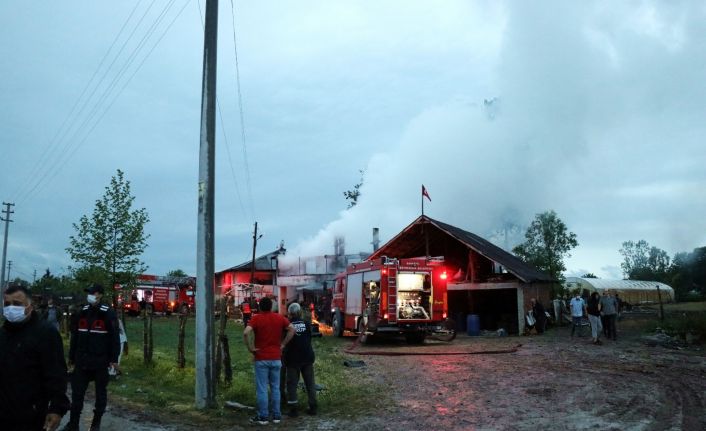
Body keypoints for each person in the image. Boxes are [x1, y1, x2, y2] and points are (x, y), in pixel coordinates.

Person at [1, 285, 70, 431]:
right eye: (7, 304)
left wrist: (56, 408)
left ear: (30, 306)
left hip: (30, 416)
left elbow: (56, 373)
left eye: (17, 304)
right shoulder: (3, 334)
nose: (11, 308)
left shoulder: (45, 334)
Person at [63, 284, 121, 431]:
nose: (89, 295)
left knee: (100, 394)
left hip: (100, 362)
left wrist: (114, 359)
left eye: (92, 292)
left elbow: (115, 338)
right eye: (88, 292)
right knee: (77, 395)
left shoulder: (108, 313)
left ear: (100, 295)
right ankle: (73, 424)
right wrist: (71, 357)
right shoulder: (82, 312)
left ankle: (95, 424)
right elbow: (75, 336)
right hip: (82, 361)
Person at [243, 297, 295, 425]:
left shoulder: (256, 318)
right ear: (271, 306)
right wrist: (282, 344)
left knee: (262, 389)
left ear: (260, 307)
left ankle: (263, 417)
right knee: (275, 388)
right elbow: (292, 329)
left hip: (261, 358)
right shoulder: (279, 318)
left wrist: (251, 348)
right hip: (276, 358)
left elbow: (246, 333)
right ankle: (277, 416)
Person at [283, 302, 317, 418]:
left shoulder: (288, 324)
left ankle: (293, 410)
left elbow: (285, 340)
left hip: (293, 359)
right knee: (310, 383)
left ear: (290, 313)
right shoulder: (307, 324)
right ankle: (313, 407)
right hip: (307, 357)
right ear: (299, 312)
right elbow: (309, 338)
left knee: (292, 384)